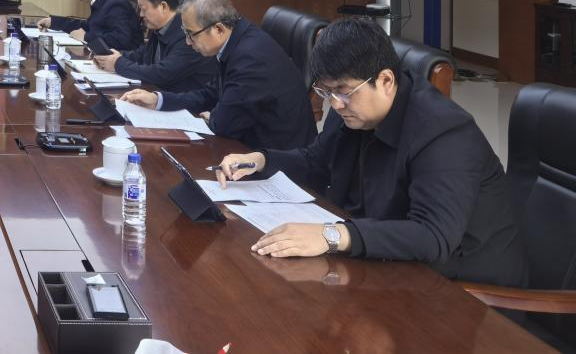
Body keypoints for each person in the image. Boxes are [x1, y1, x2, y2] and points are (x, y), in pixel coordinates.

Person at [214, 18, 527, 287]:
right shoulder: (353, 109)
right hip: (390, 265)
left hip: (464, 293)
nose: (335, 104)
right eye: (327, 91)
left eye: (343, 91)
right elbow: (316, 162)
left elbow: (433, 236)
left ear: (386, 80)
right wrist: (262, 160)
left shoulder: (444, 133)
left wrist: (333, 236)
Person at [120, 0, 315, 150]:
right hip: (250, 144)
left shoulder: (249, 59)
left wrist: (212, 116)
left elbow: (223, 125)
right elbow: (210, 94)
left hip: (277, 159)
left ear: (218, 29)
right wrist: (158, 100)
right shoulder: (235, 39)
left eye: (191, 34)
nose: (187, 42)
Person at [95, 0, 217, 93]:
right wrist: (112, 57)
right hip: (160, 94)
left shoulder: (188, 34)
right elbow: (143, 54)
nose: (141, 14)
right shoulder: (160, 26)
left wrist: (118, 64)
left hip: (185, 102)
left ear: (163, 6)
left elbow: (161, 73)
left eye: (144, 9)